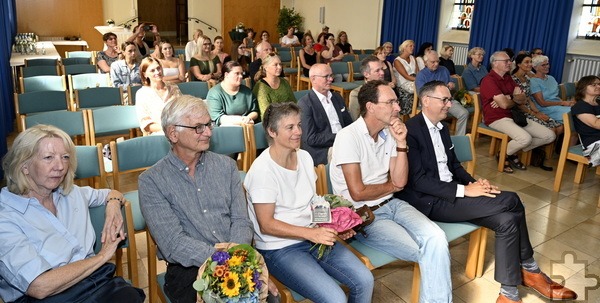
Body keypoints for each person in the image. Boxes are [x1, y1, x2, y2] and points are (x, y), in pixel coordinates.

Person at [399, 80, 577, 303]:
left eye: (449, 99)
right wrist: (465, 190)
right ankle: (531, 271)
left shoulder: (442, 127)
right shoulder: (411, 131)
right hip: (431, 201)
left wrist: (476, 184)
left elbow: (453, 167)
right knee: (512, 199)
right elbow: (418, 182)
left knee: (507, 220)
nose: (449, 104)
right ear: (426, 101)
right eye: (444, 100)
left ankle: (508, 294)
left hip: (453, 191)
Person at [330, 80, 452, 303]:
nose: (398, 108)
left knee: (436, 238)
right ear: (371, 106)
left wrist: (401, 142)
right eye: (391, 102)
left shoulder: (389, 133)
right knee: (425, 251)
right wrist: (392, 187)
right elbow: (358, 192)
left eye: (396, 102)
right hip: (366, 215)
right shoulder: (348, 136)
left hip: (394, 204)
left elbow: (400, 181)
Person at [244, 102, 374, 303]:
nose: (298, 132)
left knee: (365, 280)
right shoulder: (263, 171)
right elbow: (266, 224)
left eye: (299, 125)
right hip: (280, 248)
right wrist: (312, 233)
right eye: (290, 127)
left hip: (312, 237)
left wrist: (333, 226)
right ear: (272, 131)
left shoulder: (304, 157)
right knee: (335, 298)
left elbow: (313, 202)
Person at [0, 125, 145, 303]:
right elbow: (39, 286)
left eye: (65, 157)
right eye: (48, 158)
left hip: (95, 285)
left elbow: (112, 193)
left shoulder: (71, 193)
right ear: (24, 166)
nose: (60, 166)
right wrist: (103, 256)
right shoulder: (6, 217)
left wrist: (113, 206)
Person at [138, 95, 255, 303]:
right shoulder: (152, 181)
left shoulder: (226, 167)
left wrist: (235, 256)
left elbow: (241, 220)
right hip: (188, 270)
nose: (208, 132)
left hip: (236, 257)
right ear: (173, 133)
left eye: (209, 124)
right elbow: (173, 243)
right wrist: (221, 259)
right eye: (198, 127)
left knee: (265, 297)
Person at [480, 51, 556, 173]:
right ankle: (504, 155)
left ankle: (511, 151)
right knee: (525, 139)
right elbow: (504, 105)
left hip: (515, 115)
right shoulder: (488, 80)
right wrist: (511, 98)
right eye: (506, 61)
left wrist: (509, 97)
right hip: (496, 118)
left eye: (510, 60)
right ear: (495, 63)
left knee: (549, 136)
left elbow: (523, 98)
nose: (510, 63)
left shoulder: (508, 77)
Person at [298, 64, 353, 165]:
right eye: (326, 76)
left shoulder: (337, 97)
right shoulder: (305, 104)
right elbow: (310, 138)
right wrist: (340, 137)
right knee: (349, 156)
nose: (331, 79)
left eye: (331, 75)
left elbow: (349, 124)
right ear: (313, 79)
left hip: (344, 142)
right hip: (323, 150)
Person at [416, 50, 469, 136]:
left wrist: (452, 84)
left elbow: (451, 83)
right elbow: (422, 94)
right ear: (425, 62)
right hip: (431, 103)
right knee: (437, 115)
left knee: (464, 113)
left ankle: (459, 138)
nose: (436, 64)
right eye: (433, 62)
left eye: (437, 61)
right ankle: (433, 138)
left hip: (447, 101)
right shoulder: (421, 75)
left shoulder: (444, 70)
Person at [135, 57, 182, 135]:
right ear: (145, 74)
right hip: (157, 134)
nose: (157, 72)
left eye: (158, 68)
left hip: (178, 130)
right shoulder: (141, 94)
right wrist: (167, 128)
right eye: (152, 70)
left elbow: (183, 109)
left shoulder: (173, 87)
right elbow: (146, 125)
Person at [207, 61, 259, 126]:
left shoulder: (247, 91)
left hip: (247, 127)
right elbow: (218, 118)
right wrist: (241, 120)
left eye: (241, 73)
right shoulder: (214, 93)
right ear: (226, 74)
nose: (240, 76)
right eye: (237, 73)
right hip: (225, 129)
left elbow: (255, 111)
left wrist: (248, 118)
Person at [529, 55, 574, 123]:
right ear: (535, 67)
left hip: (557, 105)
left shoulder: (551, 78)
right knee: (573, 113)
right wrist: (562, 103)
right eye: (543, 65)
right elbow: (542, 103)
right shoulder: (533, 82)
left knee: (578, 109)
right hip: (545, 108)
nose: (547, 66)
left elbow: (555, 97)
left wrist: (567, 103)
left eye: (547, 64)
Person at [252, 53, 296, 118]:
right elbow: (266, 113)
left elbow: (293, 103)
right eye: (275, 65)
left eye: (280, 64)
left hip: (287, 118)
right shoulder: (261, 86)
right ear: (265, 67)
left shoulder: (284, 82)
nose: (279, 67)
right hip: (271, 123)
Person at [571, 75, 600, 167]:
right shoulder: (580, 106)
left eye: (599, 84)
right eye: (593, 85)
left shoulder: (598, 103)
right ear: (583, 88)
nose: (598, 86)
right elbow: (596, 124)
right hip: (592, 145)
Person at [348, 56, 386, 120]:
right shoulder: (356, 94)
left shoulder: (387, 89)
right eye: (377, 71)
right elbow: (356, 120)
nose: (382, 73)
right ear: (366, 74)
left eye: (382, 69)